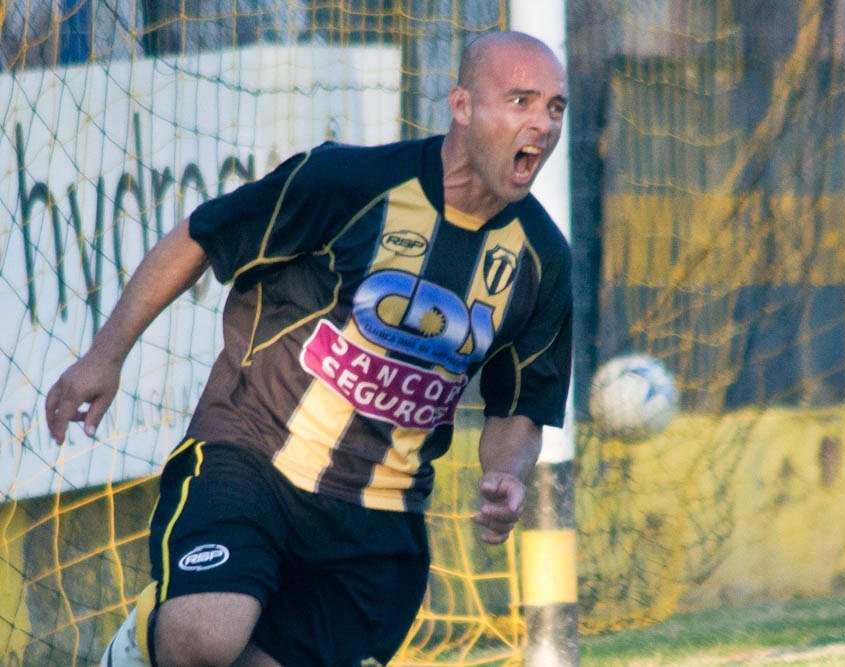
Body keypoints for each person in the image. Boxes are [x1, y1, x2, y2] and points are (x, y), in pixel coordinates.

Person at [45, 30, 571, 667]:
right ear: (461, 106)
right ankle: (136, 646)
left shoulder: (542, 259)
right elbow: (201, 237)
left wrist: (505, 475)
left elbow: (521, 403)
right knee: (205, 637)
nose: (541, 124)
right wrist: (105, 355)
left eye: (555, 107)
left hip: (379, 516)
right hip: (253, 454)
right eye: (520, 100)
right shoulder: (348, 183)